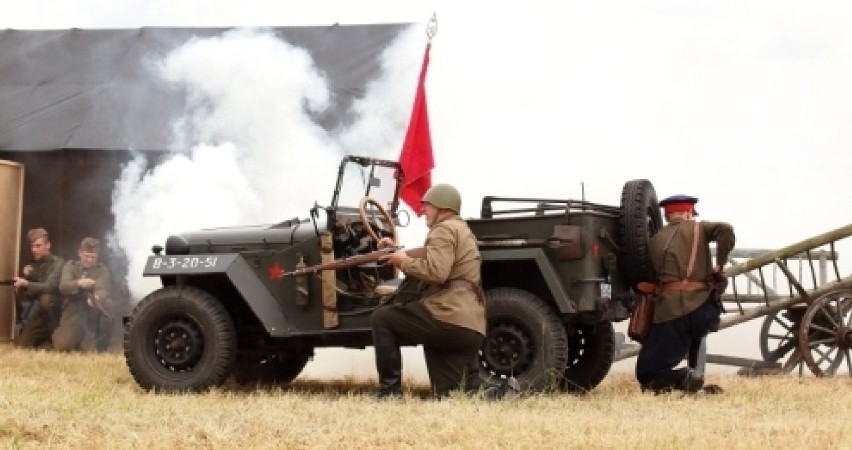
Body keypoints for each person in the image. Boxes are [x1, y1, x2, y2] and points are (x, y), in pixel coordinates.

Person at [370, 183, 487, 399]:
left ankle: (389, 393)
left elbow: (436, 272)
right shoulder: (462, 230)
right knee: (452, 394)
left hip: (447, 319)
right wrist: (397, 252)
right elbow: (437, 259)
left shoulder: (442, 230)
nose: (423, 210)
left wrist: (402, 262)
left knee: (382, 318)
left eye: (427, 206)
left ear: (443, 208)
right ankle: (501, 393)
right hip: (471, 326)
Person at [635, 194, 735, 394]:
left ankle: (686, 378)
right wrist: (720, 265)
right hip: (703, 309)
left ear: (666, 216)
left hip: (670, 312)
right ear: (689, 212)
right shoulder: (699, 229)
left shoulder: (655, 239)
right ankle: (694, 378)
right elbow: (726, 230)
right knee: (696, 333)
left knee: (648, 374)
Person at [53, 237, 113, 352]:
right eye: (87, 256)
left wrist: (96, 297)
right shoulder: (70, 266)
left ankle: (101, 347)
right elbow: (63, 286)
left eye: (93, 257)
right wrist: (79, 283)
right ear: (79, 253)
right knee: (63, 345)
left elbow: (103, 288)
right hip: (74, 311)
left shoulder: (102, 270)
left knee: (108, 305)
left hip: (93, 312)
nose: (90, 260)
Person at [13, 228, 65, 349]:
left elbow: (50, 286)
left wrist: (26, 283)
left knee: (46, 299)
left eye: (38, 246)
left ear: (48, 245)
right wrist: (27, 277)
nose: (34, 250)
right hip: (41, 315)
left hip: (57, 313)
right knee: (22, 345)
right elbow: (30, 297)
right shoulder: (34, 265)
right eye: (32, 246)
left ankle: (54, 334)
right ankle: (46, 342)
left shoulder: (58, 263)